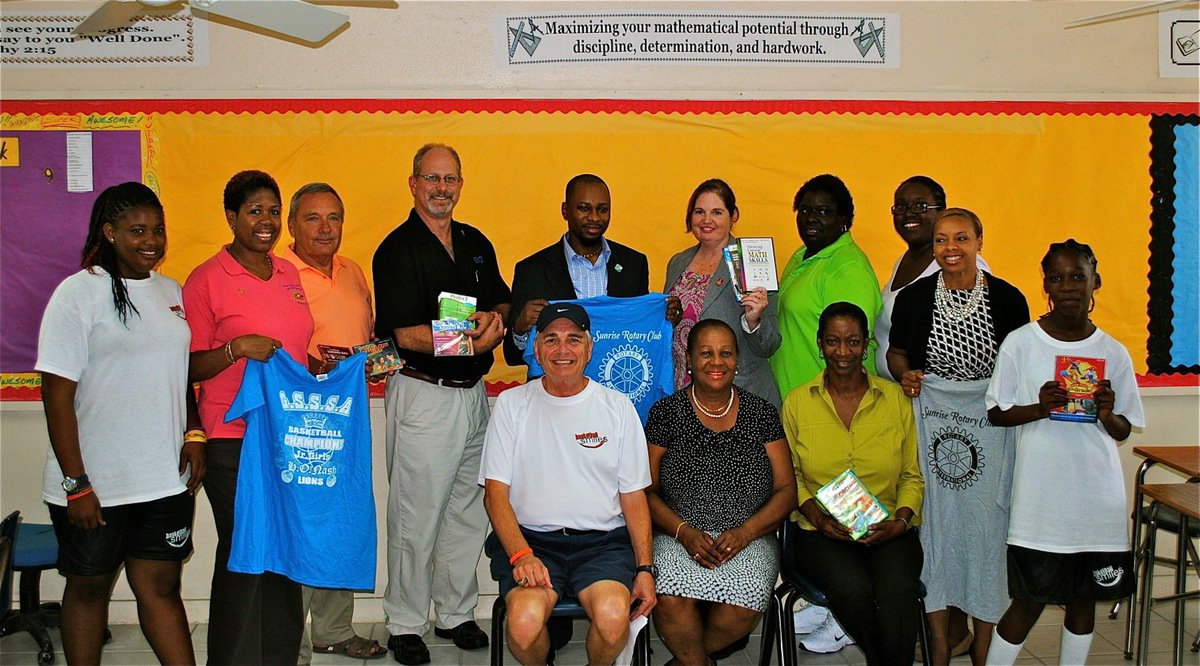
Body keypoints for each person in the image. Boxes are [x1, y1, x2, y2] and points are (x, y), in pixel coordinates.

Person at [38, 182, 204, 666]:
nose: (150, 240)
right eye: (136, 230)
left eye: (157, 230)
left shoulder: (170, 291)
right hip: (97, 484)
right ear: (109, 232)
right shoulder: (77, 294)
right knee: (89, 590)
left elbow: (177, 374)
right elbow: (56, 394)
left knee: (161, 588)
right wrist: (77, 484)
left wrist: (193, 432)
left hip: (162, 478)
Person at [372, 143, 510, 664]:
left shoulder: (475, 242)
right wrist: (470, 341)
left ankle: (455, 613)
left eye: (450, 179)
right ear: (413, 184)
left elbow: (501, 297)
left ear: (460, 184)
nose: (441, 188)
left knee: (466, 511)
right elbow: (402, 334)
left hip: (473, 396)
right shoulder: (396, 250)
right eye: (431, 178)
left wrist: (495, 321)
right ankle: (406, 621)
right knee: (415, 515)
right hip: (423, 394)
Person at [983, 240, 1144, 666]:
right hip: (1040, 502)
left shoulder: (1113, 352)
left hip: (1096, 500)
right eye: (1057, 277)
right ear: (1045, 287)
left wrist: (1108, 413)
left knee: (1083, 600)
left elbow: (1123, 428)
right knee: (1028, 602)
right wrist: (1041, 407)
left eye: (1078, 276)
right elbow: (997, 414)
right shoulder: (1022, 343)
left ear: (1096, 282)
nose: (1068, 286)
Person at [886, 208, 1029, 665]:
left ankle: (985, 648)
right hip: (931, 431)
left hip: (991, 437)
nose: (951, 249)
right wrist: (906, 375)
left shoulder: (1008, 299)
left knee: (989, 536)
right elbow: (896, 352)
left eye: (961, 239)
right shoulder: (914, 298)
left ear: (979, 242)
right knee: (935, 535)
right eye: (942, 240)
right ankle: (940, 649)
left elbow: (1019, 370)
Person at [183, 169, 314, 665]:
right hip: (231, 437)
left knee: (283, 548)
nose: (267, 222)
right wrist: (236, 349)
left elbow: (294, 352)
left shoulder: (288, 274)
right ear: (231, 217)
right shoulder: (206, 279)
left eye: (274, 211)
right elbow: (187, 365)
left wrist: (322, 366)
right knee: (245, 548)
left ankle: (279, 657)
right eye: (255, 211)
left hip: (287, 435)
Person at [480, 303, 656, 666]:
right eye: (551, 340)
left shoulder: (618, 408)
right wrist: (520, 554)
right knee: (524, 623)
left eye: (573, 340)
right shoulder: (512, 405)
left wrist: (644, 569)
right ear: (537, 349)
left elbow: (634, 497)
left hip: (603, 545)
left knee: (612, 617)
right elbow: (495, 494)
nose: (563, 351)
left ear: (590, 348)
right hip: (532, 542)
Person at [645, 319, 797, 664]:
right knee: (669, 598)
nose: (717, 362)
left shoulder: (761, 412)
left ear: (737, 359)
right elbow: (647, 491)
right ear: (688, 359)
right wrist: (683, 532)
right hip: (677, 533)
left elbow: (788, 490)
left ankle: (686, 660)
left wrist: (746, 531)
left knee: (744, 602)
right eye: (706, 353)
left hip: (750, 535)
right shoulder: (666, 413)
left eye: (726, 353)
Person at [277, 183, 386, 661]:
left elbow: (366, 336)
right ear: (291, 226)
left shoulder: (352, 272)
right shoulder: (278, 274)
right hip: (298, 418)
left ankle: (335, 629)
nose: (326, 228)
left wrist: (376, 358)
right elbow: (272, 345)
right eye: (313, 218)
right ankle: (291, 641)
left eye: (335, 218)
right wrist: (310, 367)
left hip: (350, 416)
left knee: (344, 515)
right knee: (302, 520)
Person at [782, 302, 925, 666]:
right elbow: (790, 477)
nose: (842, 352)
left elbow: (911, 475)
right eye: (832, 341)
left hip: (888, 527)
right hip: (821, 531)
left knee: (898, 590)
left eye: (852, 342)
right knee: (851, 589)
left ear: (866, 345)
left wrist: (901, 522)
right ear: (819, 344)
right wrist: (819, 519)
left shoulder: (895, 400)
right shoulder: (798, 403)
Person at [505, 173, 678, 369]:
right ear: (565, 211)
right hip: (555, 392)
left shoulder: (633, 264)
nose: (594, 217)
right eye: (584, 208)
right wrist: (520, 328)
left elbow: (642, 334)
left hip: (616, 386)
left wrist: (665, 317)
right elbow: (512, 356)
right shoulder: (531, 270)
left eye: (602, 209)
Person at [665, 179, 782, 407]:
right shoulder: (677, 263)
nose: (706, 220)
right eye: (699, 212)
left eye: (717, 212)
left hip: (740, 397)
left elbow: (769, 345)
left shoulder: (752, 262)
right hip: (685, 392)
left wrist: (754, 321)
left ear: (734, 215)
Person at [770, 174, 882, 400]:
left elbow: (851, 351)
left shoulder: (849, 268)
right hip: (794, 400)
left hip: (826, 404)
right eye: (804, 210)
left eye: (823, 212)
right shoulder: (801, 255)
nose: (811, 218)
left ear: (844, 219)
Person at [874, 176, 985, 378]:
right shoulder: (903, 260)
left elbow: (975, 341)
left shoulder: (960, 263)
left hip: (937, 398)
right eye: (901, 207)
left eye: (920, 206)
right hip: (900, 394)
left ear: (941, 212)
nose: (908, 214)